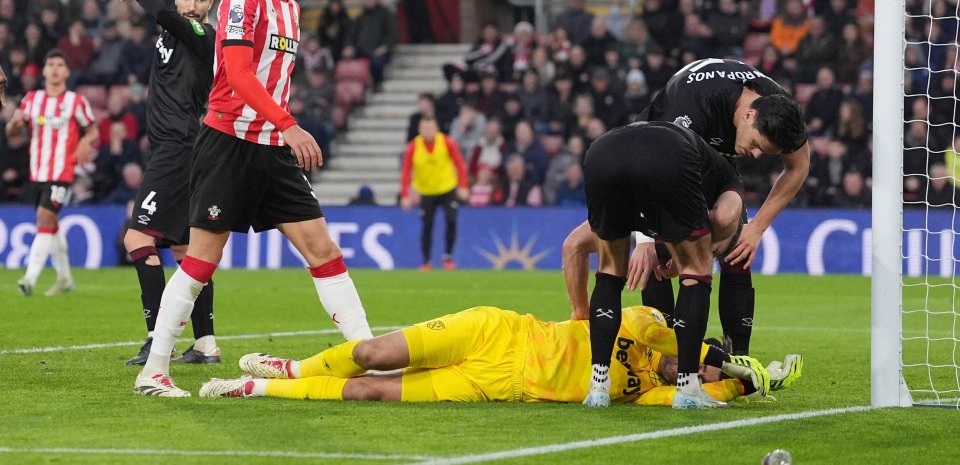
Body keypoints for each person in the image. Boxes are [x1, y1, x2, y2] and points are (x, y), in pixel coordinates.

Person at [134, 0, 374, 398]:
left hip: (273, 150)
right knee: (202, 259)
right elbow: (239, 75)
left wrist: (282, 129)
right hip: (229, 145)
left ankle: (369, 358)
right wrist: (290, 125)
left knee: (323, 251)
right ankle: (154, 372)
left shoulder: (292, 9)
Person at [568, 59, 807, 355]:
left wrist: (756, 228)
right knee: (657, 254)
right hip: (653, 157)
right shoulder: (694, 102)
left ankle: (739, 358)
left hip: (712, 165)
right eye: (757, 145)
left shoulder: (780, 111)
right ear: (748, 115)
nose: (757, 156)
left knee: (737, 249)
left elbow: (798, 168)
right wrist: (645, 238)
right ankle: (664, 355)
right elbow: (653, 170)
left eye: (765, 152)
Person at [199, 305, 798, 404]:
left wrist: (746, 383)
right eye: (690, 359)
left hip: (498, 386)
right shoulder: (647, 325)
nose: (684, 367)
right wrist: (717, 355)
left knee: (370, 391)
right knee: (373, 351)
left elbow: (706, 393)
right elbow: (672, 324)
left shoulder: (654, 393)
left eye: (695, 369)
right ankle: (294, 367)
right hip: (498, 333)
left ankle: (257, 388)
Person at [104, 0, 221, 367]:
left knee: (137, 239)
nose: (192, 6)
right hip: (180, 151)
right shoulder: (171, 23)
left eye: (201, 0)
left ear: (210, 6)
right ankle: (207, 343)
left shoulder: (205, 38)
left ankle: (157, 339)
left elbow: (158, 5)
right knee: (182, 248)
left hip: (177, 149)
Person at [578, 121, 766, 409]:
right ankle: (688, 389)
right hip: (665, 152)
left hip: (602, 151)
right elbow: (725, 219)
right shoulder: (730, 183)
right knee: (697, 271)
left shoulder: (697, 167)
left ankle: (598, 388)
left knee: (609, 270)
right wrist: (699, 255)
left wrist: (652, 245)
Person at [6, 50, 98, 297]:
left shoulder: (75, 101)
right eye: (51, 64)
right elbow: (11, 133)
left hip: (62, 171)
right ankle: (65, 278)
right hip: (37, 172)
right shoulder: (31, 100)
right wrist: (14, 124)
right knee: (51, 223)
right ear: (44, 70)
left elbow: (93, 131)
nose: (55, 69)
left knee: (45, 217)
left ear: (67, 72)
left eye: (60, 65)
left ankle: (29, 278)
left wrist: (84, 143)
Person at [400, 116, 470, 270]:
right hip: (426, 191)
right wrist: (405, 194)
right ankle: (426, 261)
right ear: (419, 130)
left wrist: (463, 185)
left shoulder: (446, 142)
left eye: (431, 128)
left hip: (447, 188)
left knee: (451, 220)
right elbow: (405, 171)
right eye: (424, 128)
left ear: (436, 128)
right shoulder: (413, 146)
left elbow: (460, 164)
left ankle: (448, 257)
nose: (428, 131)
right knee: (427, 225)